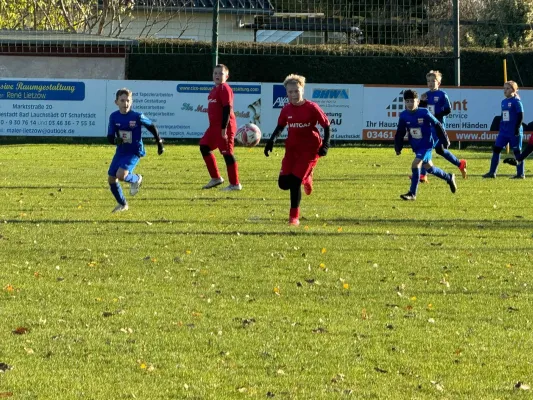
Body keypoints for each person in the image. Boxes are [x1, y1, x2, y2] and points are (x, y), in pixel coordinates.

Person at [264, 74, 331, 226]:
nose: (293, 95)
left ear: (302, 90)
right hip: (292, 149)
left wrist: (325, 145)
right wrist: (271, 141)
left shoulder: (312, 108)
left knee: (294, 182)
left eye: (296, 91)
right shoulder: (286, 109)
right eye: (290, 92)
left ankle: (294, 217)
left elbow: (326, 126)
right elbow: (281, 126)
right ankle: (307, 178)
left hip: (309, 149)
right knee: (283, 184)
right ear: (286, 93)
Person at [107, 88, 164, 213]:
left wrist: (159, 142)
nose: (125, 103)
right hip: (121, 151)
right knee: (111, 179)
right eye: (122, 100)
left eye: (128, 101)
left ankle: (137, 179)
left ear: (131, 102)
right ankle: (122, 204)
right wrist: (115, 140)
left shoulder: (137, 116)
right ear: (116, 102)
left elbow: (152, 126)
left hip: (134, 151)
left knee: (121, 175)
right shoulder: (114, 117)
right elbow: (110, 137)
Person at [395, 89, 457, 200]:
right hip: (416, 146)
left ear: (418, 102)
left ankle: (412, 193)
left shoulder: (424, 112)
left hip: (427, 144)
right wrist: (398, 146)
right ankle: (449, 177)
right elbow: (400, 132)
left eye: (412, 101)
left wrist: (444, 139)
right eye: (407, 101)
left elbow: (437, 124)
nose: (410, 104)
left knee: (415, 164)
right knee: (429, 168)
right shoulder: (404, 115)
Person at [416, 70, 467, 182]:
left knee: (427, 146)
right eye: (428, 81)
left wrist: (436, 116)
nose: (430, 83)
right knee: (440, 150)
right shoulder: (426, 95)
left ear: (438, 83)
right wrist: (423, 102)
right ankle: (460, 164)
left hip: (438, 126)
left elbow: (448, 109)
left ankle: (423, 175)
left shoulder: (442, 94)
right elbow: (423, 110)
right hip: (428, 126)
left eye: (433, 81)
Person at [200, 64, 241, 191]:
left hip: (224, 127)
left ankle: (235, 184)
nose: (217, 75)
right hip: (213, 128)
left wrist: (224, 128)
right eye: (215, 73)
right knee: (204, 147)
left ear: (227, 76)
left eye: (221, 73)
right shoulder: (214, 89)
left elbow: (227, 108)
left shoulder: (224, 88)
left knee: (227, 153)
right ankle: (216, 178)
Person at [483, 80, 524, 179]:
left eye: (507, 88)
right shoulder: (503, 102)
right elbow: (504, 116)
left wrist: (517, 128)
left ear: (513, 90)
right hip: (504, 132)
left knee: (517, 152)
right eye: (504, 88)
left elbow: (520, 115)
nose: (505, 90)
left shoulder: (516, 101)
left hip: (514, 131)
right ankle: (492, 172)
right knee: (496, 149)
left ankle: (520, 174)